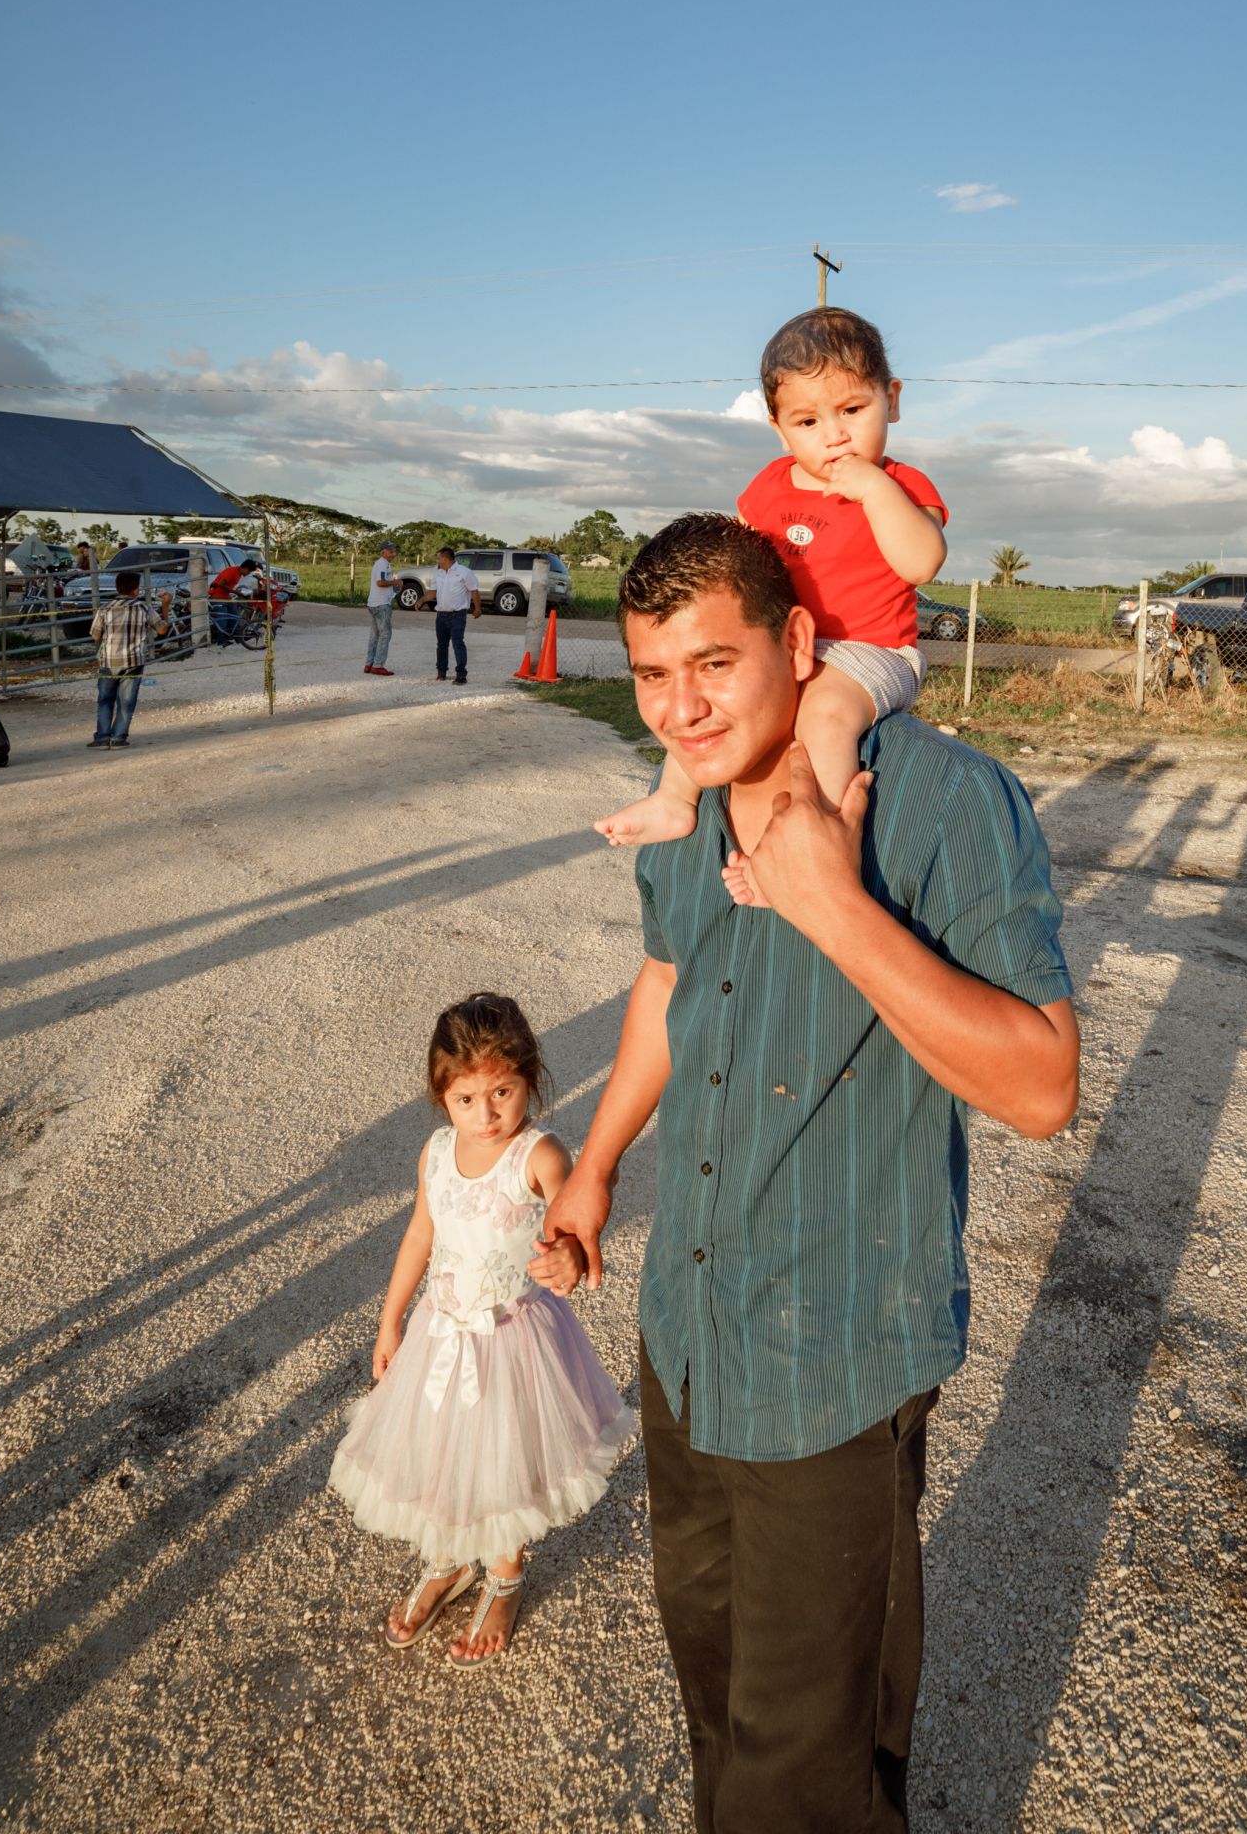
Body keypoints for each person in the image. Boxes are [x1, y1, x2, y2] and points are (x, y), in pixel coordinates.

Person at [540, 514, 1079, 1831]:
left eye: (713, 664)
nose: (682, 707)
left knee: (811, 1772)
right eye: (654, 675)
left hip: (833, 1363)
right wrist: (598, 1164)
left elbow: (1039, 1089)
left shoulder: (945, 800)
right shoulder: (681, 806)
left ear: (797, 638)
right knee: (719, 1708)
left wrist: (831, 899)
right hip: (689, 1333)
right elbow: (670, 979)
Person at [328, 992, 635, 1663]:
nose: (487, 1113)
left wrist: (569, 1254)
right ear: (443, 1097)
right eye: (467, 1099)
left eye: (503, 1092)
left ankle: (502, 1575)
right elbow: (418, 1236)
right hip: (438, 1337)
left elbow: (574, 1219)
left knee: (502, 1461)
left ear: (529, 1079)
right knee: (438, 1451)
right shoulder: (435, 1153)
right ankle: (446, 1561)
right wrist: (390, 1323)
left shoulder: (538, 1154)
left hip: (510, 1341)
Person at [596, 308, 947, 886]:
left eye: (853, 410)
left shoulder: (903, 485)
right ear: (780, 427)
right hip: (789, 646)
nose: (834, 435)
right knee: (704, 709)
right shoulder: (769, 486)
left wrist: (876, 489)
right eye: (808, 422)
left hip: (870, 651)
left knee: (824, 716)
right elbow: (731, 568)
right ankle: (675, 801)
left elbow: (922, 561)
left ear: (893, 398)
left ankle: (821, 851)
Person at [87, 566, 174, 749]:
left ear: (117, 588)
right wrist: (166, 606)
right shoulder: (143, 608)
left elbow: (95, 636)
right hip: (134, 661)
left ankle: (102, 737)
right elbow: (162, 629)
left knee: (105, 699)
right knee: (126, 701)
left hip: (108, 661)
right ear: (136, 590)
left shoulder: (105, 609)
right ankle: (119, 737)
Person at [430, 545, 481, 684]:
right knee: (441, 645)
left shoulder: (464, 572)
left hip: (457, 615)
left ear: (445, 559)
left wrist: (477, 608)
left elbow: (474, 590)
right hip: (441, 615)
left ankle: (461, 675)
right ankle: (441, 672)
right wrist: (421, 600)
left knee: (458, 644)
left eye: (439, 558)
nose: (437, 560)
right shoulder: (438, 573)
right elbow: (433, 591)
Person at [365, 540, 398, 676]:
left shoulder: (383, 564)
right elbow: (380, 582)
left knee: (375, 634)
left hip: (374, 603)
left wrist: (393, 586)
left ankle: (369, 663)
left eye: (394, 551)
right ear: (383, 552)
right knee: (385, 634)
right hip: (381, 604)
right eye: (390, 551)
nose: (393, 554)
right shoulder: (382, 564)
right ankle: (378, 665)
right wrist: (395, 581)